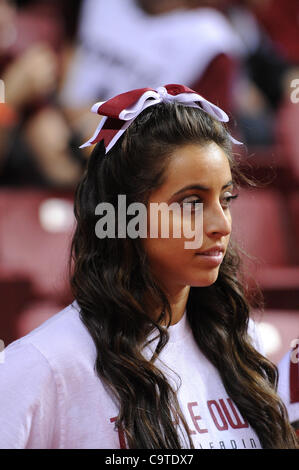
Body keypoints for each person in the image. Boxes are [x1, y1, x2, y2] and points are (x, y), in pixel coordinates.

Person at [0, 84, 298, 449]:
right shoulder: (42, 367)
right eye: (191, 202)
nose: (221, 224)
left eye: (226, 198)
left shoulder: (240, 341)